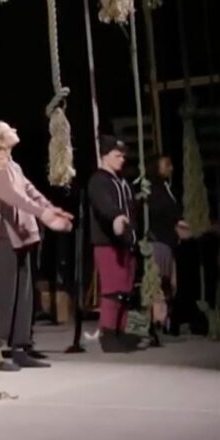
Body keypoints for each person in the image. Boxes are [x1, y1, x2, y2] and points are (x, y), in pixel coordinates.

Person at [0, 121, 73, 370]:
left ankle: (20, 347)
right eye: (10, 129)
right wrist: (43, 214)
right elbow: (13, 197)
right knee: (3, 296)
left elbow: (29, 191)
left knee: (23, 293)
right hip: (2, 238)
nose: (16, 130)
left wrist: (51, 209)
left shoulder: (14, 166)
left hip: (21, 236)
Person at [86, 135, 140, 352]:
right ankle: (108, 334)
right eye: (117, 156)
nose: (122, 159)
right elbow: (104, 204)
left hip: (126, 242)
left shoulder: (122, 182)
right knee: (113, 289)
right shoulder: (99, 180)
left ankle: (120, 331)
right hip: (107, 242)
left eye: (123, 156)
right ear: (105, 156)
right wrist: (116, 217)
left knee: (126, 290)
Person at [142, 155, 191, 346]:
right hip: (158, 242)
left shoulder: (165, 189)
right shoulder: (153, 191)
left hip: (168, 243)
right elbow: (167, 214)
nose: (171, 168)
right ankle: (157, 325)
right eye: (167, 165)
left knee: (170, 286)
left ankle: (165, 323)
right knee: (158, 286)